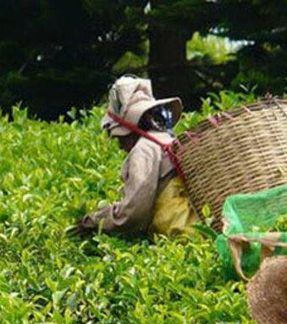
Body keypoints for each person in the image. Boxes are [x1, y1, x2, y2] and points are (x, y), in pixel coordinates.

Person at [72, 76, 199, 238]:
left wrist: (94, 221)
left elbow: (134, 212)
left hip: (182, 234)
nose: (119, 145)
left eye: (119, 137)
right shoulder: (168, 140)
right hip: (197, 230)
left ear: (129, 128)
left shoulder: (144, 149)